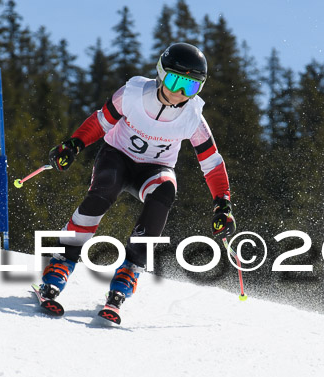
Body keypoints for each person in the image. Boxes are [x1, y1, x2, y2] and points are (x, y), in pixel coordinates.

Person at [38, 42, 236, 318]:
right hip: (116, 157)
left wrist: (222, 203)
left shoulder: (193, 117)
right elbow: (101, 121)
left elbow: (212, 162)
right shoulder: (132, 94)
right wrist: (74, 144)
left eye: (190, 87)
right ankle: (63, 259)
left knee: (165, 191)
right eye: (175, 81)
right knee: (102, 192)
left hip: (154, 169)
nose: (179, 93)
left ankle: (131, 269)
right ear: (160, 73)